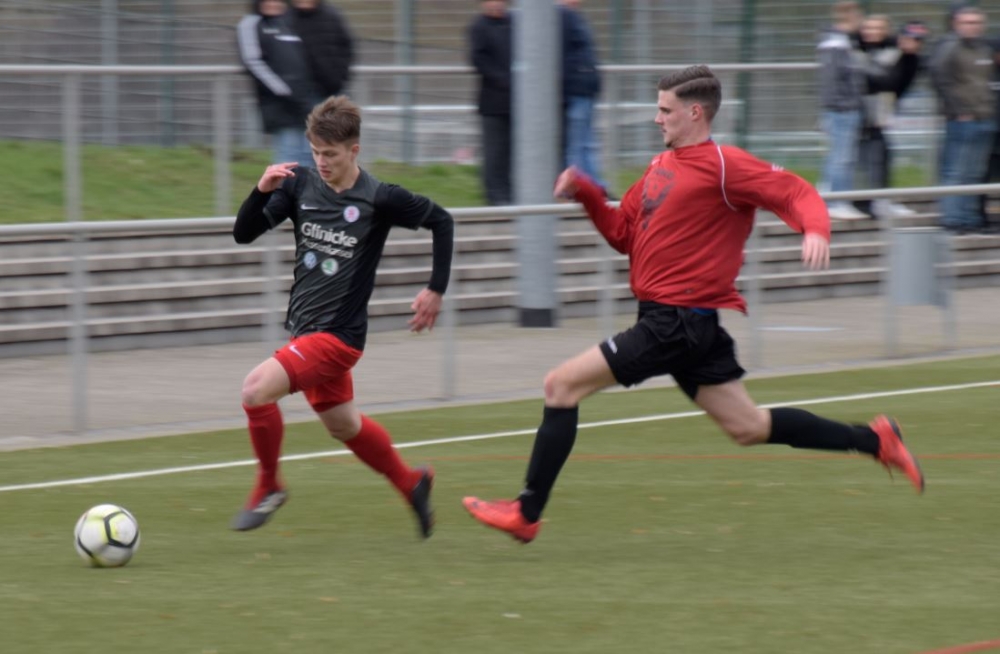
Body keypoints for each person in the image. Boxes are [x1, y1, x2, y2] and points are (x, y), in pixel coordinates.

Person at [462, 65, 924, 544]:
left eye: (666, 110)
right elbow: (622, 235)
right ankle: (876, 440)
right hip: (684, 325)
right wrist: (587, 194)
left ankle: (526, 513)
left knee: (560, 386)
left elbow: (795, 191)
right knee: (749, 427)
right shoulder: (660, 167)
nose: (656, 118)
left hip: (674, 323)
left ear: (695, 113)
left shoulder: (724, 165)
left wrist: (816, 229)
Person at [231, 95, 455, 537]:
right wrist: (261, 192)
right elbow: (243, 233)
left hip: (338, 337)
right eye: (315, 152)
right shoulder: (299, 186)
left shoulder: (380, 197)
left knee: (255, 390)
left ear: (354, 150)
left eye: (330, 154)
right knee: (343, 425)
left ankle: (270, 485)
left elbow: (442, 221)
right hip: (305, 332)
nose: (321, 162)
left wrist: (436, 289)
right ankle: (410, 482)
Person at [929, 6, 996, 234]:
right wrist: (957, 109)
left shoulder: (983, 48)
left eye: (977, 22)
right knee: (956, 171)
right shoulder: (950, 47)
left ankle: (970, 218)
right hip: (963, 119)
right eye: (967, 22)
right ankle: (953, 218)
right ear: (956, 24)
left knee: (974, 173)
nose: (972, 27)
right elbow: (939, 78)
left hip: (984, 117)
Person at [237, 0, 323, 167]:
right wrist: (283, 90)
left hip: (305, 101)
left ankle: (308, 185)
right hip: (281, 104)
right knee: (289, 156)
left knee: (310, 156)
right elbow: (253, 62)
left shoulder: (289, 22)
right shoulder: (252, 24)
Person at [853, 16, 924, 218]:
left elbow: (896, 85)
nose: (873, 32)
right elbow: (879, 80)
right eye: (869, 27)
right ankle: (865, 201)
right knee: (855, 160)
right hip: (854, 113)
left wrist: (908, 56)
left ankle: (879, 200)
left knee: (880, 156)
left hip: (877, 115)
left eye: (878, 28)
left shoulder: (898, 54)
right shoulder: (855, 50)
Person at [817, 1, 869, 220]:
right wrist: (842, 105)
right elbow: (831, 80)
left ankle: (830, 196)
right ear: (849, 16)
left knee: (840, 156)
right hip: (842, 109)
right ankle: (836, 201)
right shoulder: (835, 43)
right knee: (841, 158)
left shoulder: (847, 42)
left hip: (847, 108)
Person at [558, 0, 608, 192]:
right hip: (577, 90)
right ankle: (585, 188)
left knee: (583, 143)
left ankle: (591, 187)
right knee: (579, 144)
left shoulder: (571, 16)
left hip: (582, 90)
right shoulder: (564, 16)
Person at [468, 0, 513, 206]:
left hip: (513, 102)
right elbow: (478, 59)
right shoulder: (479, 27)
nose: (496, 4)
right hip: (493, 102)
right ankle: (496, 196)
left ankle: (509, 193)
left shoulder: (512, 23)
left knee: (510, 151)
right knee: (494, 151)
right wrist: (503, 79)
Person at [290, 0, 355, 99]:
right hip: (301, 93)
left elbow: (346, 45)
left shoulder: (332, 16)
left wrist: (341, 76)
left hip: (334, 87)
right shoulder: (286, 19)